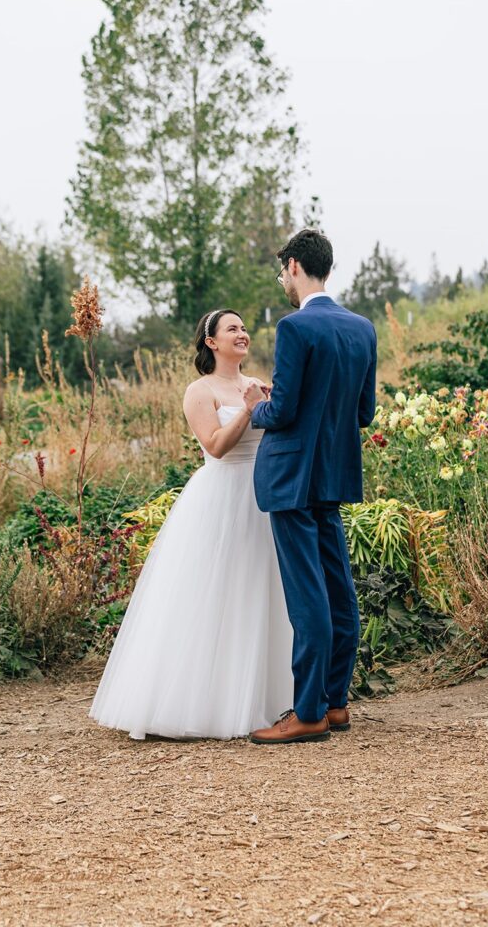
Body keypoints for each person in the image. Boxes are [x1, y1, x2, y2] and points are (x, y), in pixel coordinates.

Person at [89, 309, 293, 740]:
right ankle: (200, 703)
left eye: (243, 328)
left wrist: (268, 406)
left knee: (260, 591)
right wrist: (249, 411)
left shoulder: (257, 382)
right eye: (231, 329)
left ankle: (266, 699)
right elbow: (215, 447)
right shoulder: (199, 391)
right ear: (211, 342)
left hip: (263, 494)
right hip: (220, 497)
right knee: (213, 591)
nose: (242, 334)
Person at [243, 228, 377, 745]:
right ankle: (337, 703)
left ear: (295, 266)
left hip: (291, 478)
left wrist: (259, 405)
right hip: (333, 475)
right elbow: (362, 412)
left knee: (308, 598)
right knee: (339, 589)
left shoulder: (295, 327)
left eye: (282, 271)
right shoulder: (362, 328)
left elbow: (285, 410)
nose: (283, 279)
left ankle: (308, 713)